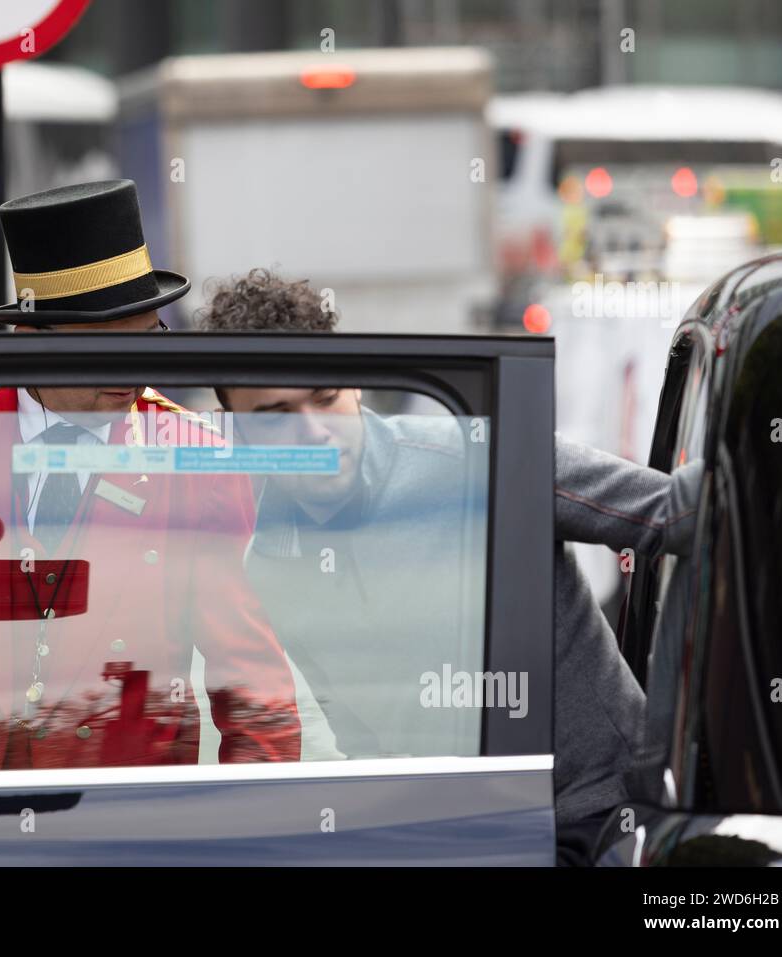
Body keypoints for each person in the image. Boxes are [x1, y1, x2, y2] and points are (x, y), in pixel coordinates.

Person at [197, 268, 699, 857]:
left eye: (327, 396)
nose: (314, 432)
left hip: (603, 812)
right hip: (460, 832)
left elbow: (675, 514)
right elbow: (361, 731)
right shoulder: (270, 565)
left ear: (356, 387)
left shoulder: (478, 460)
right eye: (277, 414)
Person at [0, 182, 301, 773]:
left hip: (121, 827)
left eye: (150, 342)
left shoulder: (194, 458)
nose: (136, 373)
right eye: (104, 348)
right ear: (29, 340)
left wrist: (250, 832)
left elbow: (252, 688)